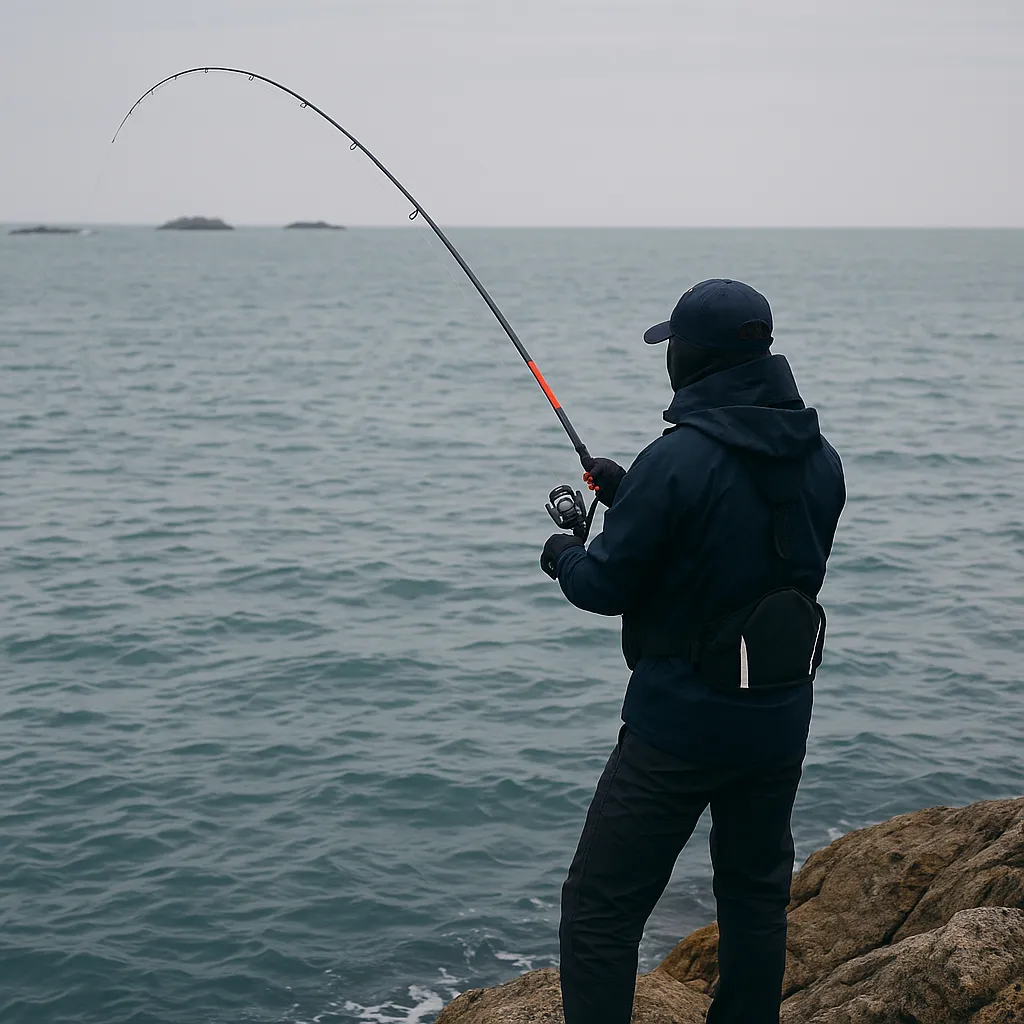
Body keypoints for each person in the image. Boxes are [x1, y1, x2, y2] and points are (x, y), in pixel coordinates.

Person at [539, 279, 846, 1024]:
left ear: (693, 357)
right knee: (755, 894)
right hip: (778, 718)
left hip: (679, 727)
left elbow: (605, 585)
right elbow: (745, 548)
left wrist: (562, 554)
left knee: (600, 908)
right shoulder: (821, 458)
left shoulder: (676, 461)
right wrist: (630, 492)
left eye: (672, 343)